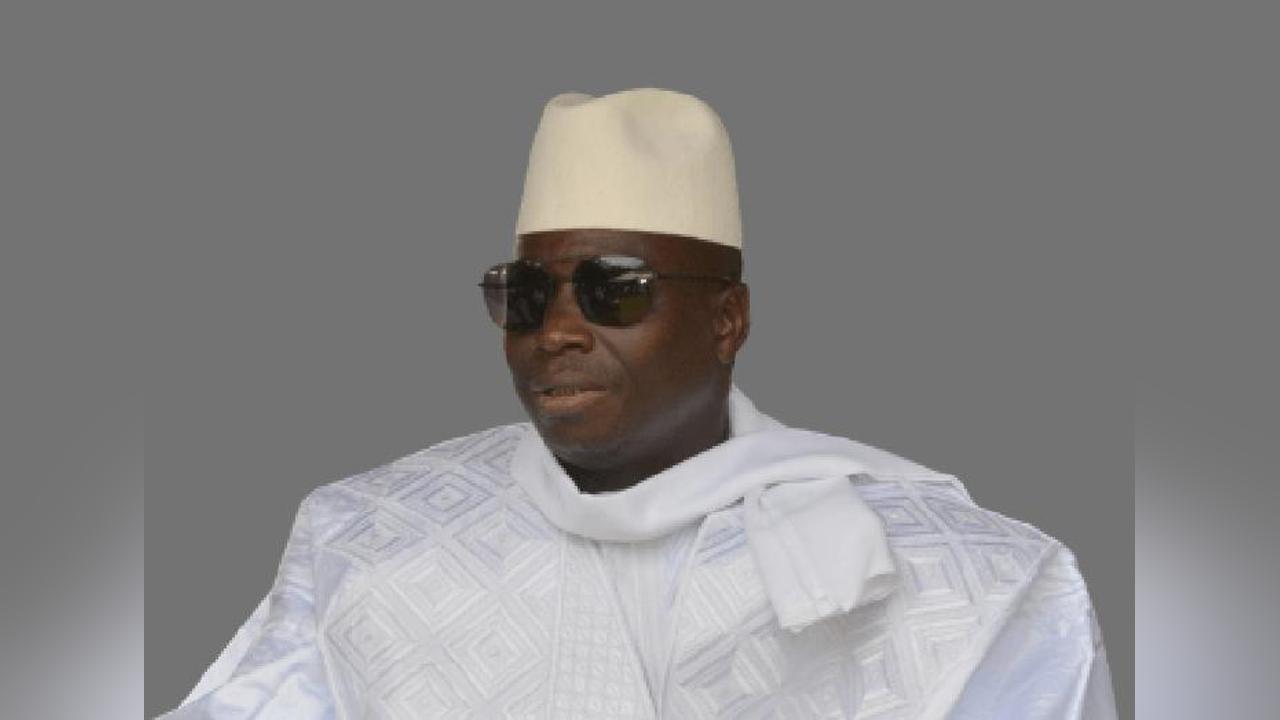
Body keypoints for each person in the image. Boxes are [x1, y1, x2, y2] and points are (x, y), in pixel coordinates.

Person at [160, 88, 1117, 719]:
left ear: (727, 320)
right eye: (524, 295)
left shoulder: (960, 578)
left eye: (614, 291)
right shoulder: (371, 538)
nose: (555, 332)